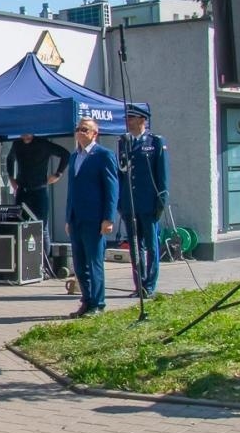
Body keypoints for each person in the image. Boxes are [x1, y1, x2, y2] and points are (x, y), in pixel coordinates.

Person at [65, 117, 118, 316]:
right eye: (78, 129)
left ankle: (98, 303)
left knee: (94, 262)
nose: (80, 132)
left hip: (95, 218)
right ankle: (86, 301)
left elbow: (112, 188)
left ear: (95, 134)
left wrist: (108, 218)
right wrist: (68, 218)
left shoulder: (103, 155)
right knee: (79, 263)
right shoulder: (74, 156)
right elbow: (72, 189)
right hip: (77, 217)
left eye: (85, 129)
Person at [118, 103, 170, 299]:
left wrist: (161, 202)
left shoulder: (155, 142)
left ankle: (150, 284)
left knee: (151, 245)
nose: (128, 122)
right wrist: (120, 203)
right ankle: (139, 285)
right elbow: (121, 173)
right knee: (134, 246)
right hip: (130, 205)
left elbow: (162, 175)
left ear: (142, 120)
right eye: (127, 118)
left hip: (149, 204)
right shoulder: (124, 142)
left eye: (131, 118)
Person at [4, 132, 68, 233]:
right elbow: (9, 159)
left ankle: (44, 249)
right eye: (22, 132)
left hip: (39, 190)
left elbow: (65, 154)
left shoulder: (42, 144)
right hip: (22, 191)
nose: (25, 134)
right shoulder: (17, 144)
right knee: (19, 225)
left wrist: (58, 174)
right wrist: (11, 178)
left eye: (28, 131)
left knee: (41, 228)